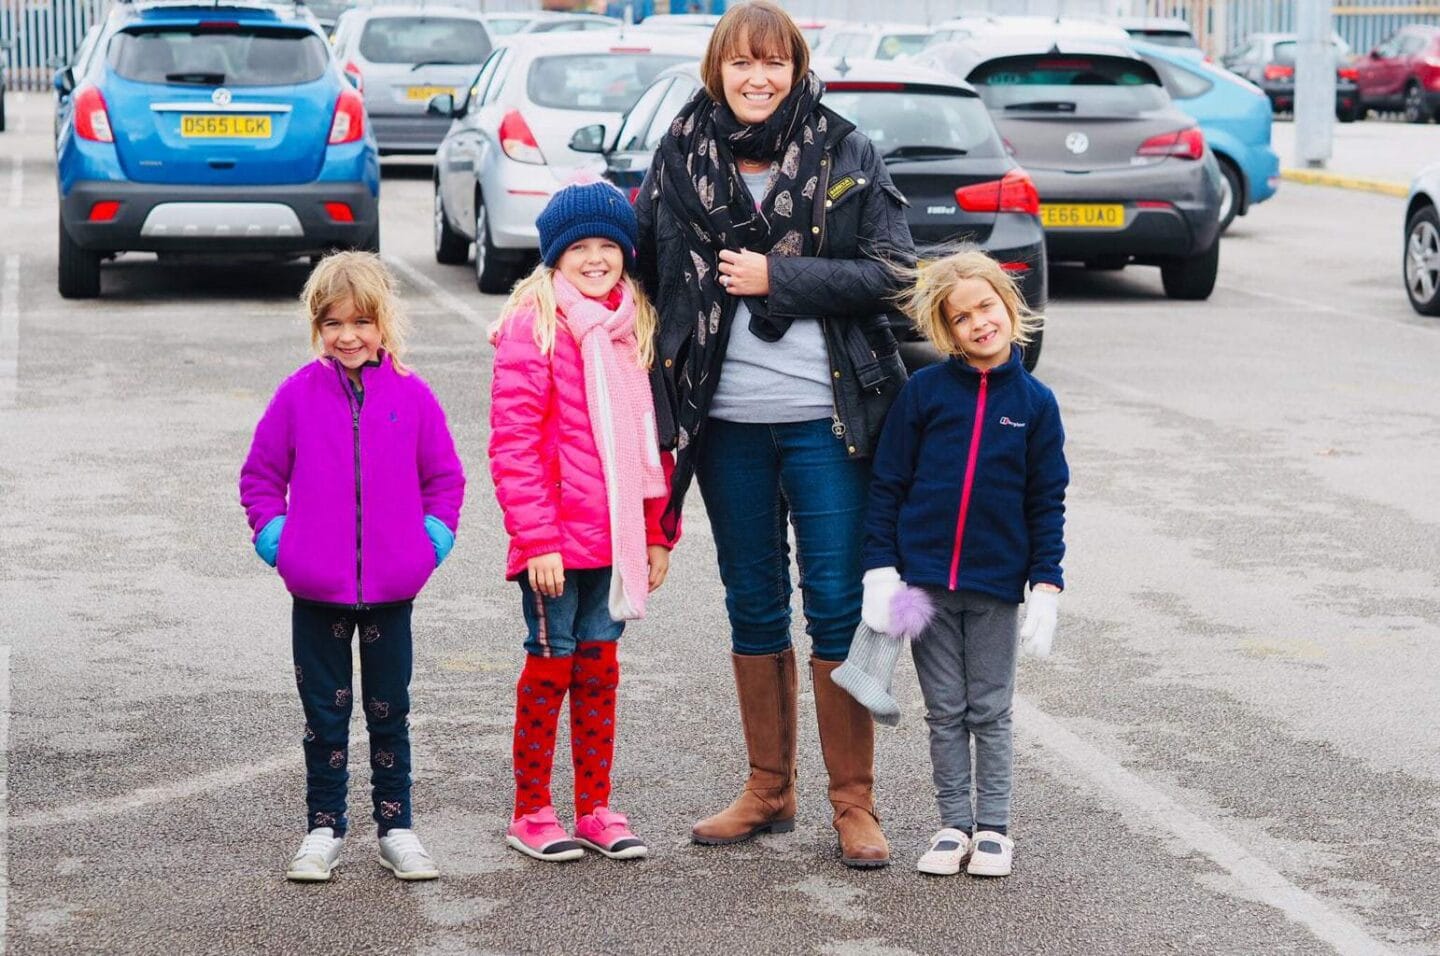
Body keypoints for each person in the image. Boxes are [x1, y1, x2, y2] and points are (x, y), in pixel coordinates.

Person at [634, 0, 915, 867]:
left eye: (775, 64)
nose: (758, 79)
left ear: (797, 69)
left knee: (834, 606)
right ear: (716, 70)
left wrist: (777, 276)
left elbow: (893, 272)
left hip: (829, 421)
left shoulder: (844, 148)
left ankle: (853, 803)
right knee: (752, 603)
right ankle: (769, 789)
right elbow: (639, 266)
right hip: (724, 426)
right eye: (742, 64)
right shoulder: (679, 154)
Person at [239, 251, 466, 883]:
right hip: (317, 594)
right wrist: (281, 544)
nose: (348, 336)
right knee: (326, 715)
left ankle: (397, 827)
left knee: (390, 711)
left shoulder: (413, 397)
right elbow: (260, 479)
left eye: (361, 321)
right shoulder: (296, 396)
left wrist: (432, 543)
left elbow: (444, 479)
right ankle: (323, 828)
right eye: (334, 323)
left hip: (393, 591)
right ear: (318, 326)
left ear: (383, 322)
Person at [856, 248, 1068, 878]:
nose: (979, 323)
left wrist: (1047, 583)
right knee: (945, 710)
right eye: (962, 317)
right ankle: (953, 824)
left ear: (1009, 305)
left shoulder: (1035, 405)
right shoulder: (923, 394)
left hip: (997, 587)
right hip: (924, 588)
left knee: (991, 709)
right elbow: (888, 483)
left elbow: (1046, 499)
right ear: (945, 330)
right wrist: (880, 568)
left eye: (987, 307)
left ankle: (995, 828)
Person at [489, 178, 676, 863]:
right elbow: (514, 446)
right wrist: (536, 538)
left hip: (618, 538)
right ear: (555, 257)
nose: (595, 258)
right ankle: (531, 809)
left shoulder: (634, 327)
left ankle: (595, 806)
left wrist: (658, 533)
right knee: (550, 667)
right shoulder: (534, 325)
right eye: (580, 248)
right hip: (555, 546)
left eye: (608, 245)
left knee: (599, 671)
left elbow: (652, 439)